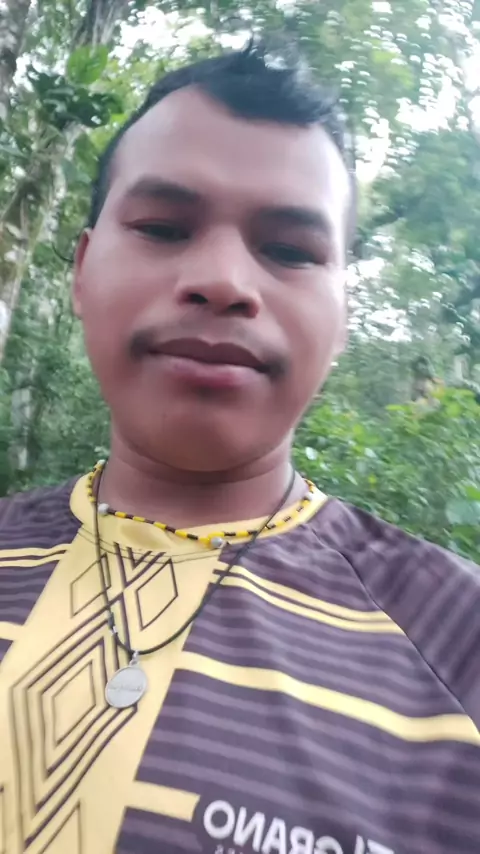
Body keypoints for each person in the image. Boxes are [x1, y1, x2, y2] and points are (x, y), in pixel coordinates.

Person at [0, 39, 479, 854]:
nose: (223, 280)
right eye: (163, 227)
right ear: (80, 272)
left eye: (289, 250)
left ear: (344, 316)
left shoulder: (458, 640)